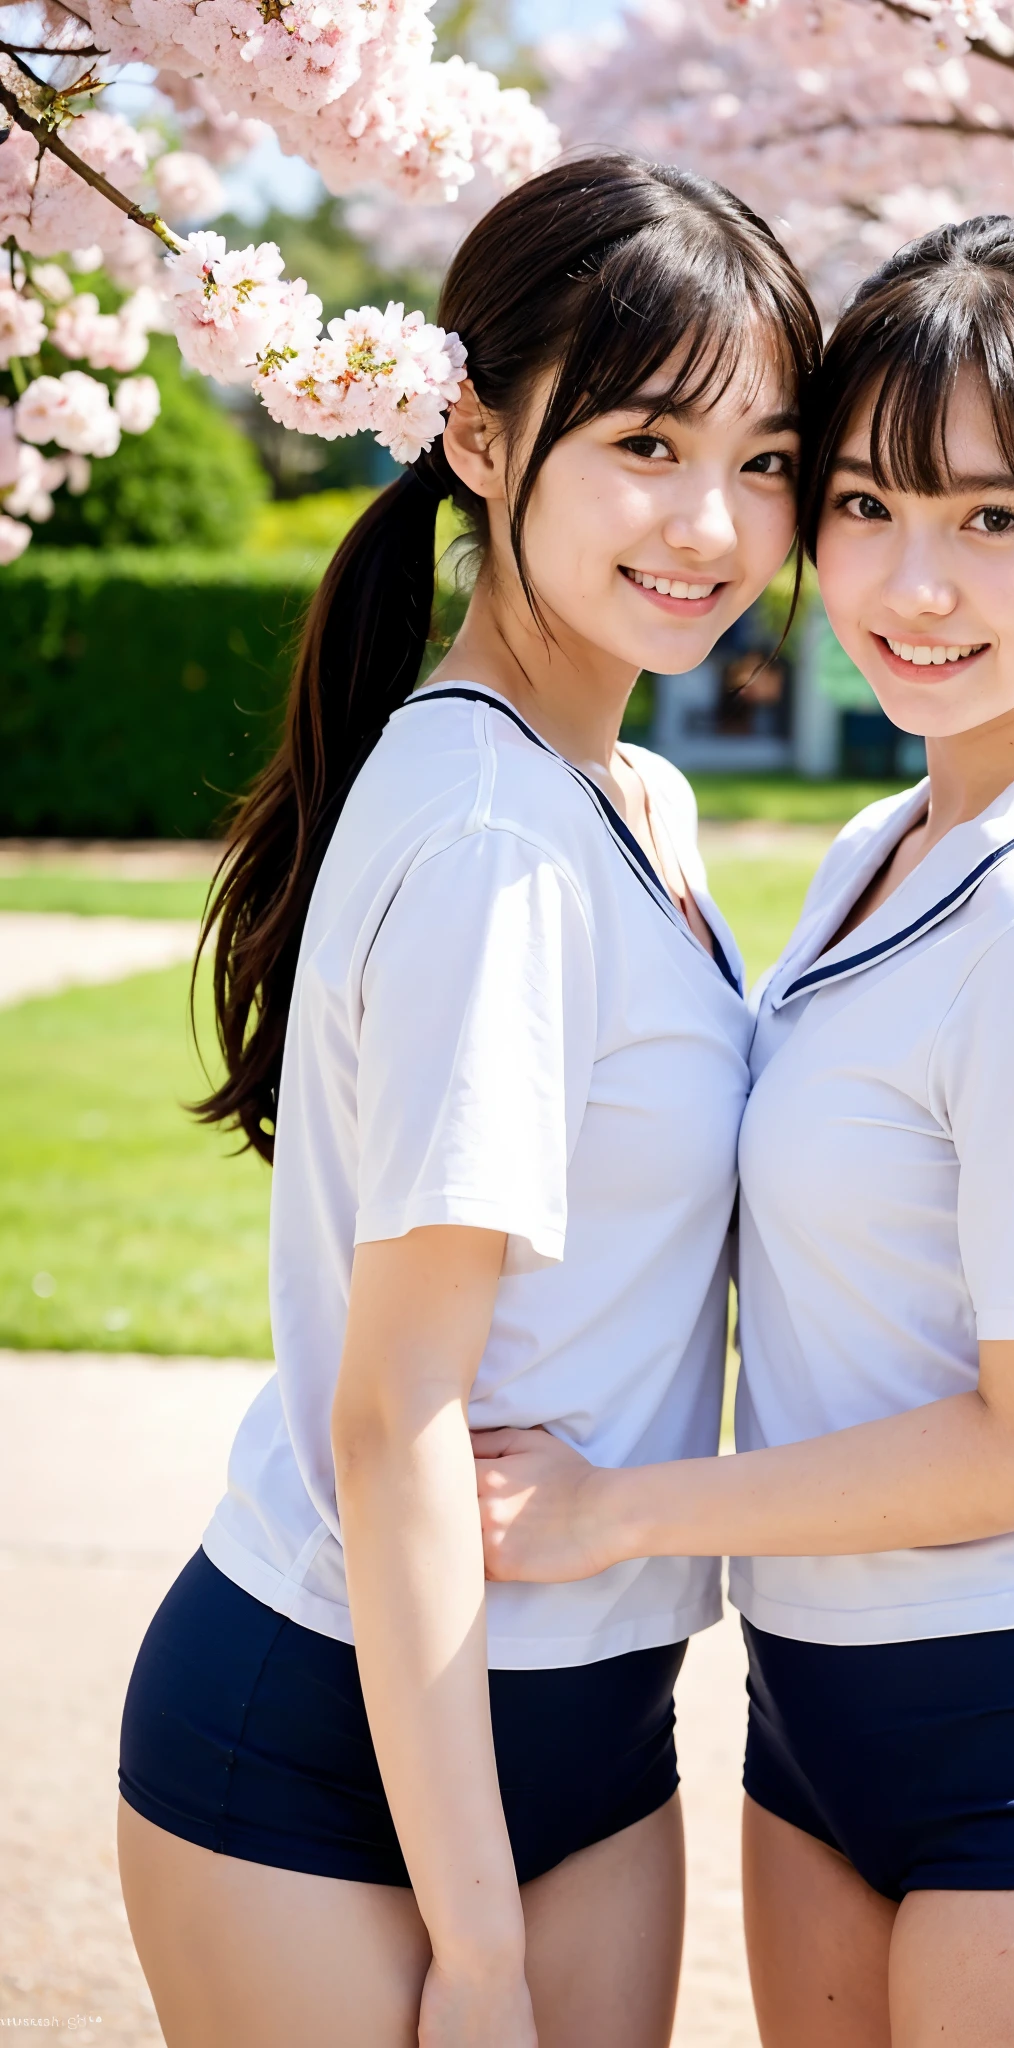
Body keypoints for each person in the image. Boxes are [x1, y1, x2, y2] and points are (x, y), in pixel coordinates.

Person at [475, 215, 1014, 2048]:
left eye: (994, 519)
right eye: (865, 503)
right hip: (823, 1707)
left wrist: (618, 1511)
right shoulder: (889, 847)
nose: (911, 585)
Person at [115, 152, 819, 2048]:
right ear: (485, 443)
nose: (714, 524)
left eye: (765, 461)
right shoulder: (499, 833)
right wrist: (482, 1953)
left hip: (591, 1707)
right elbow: (399, 1408)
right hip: (344, 1737)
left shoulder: (631, 800)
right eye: (648, 442)